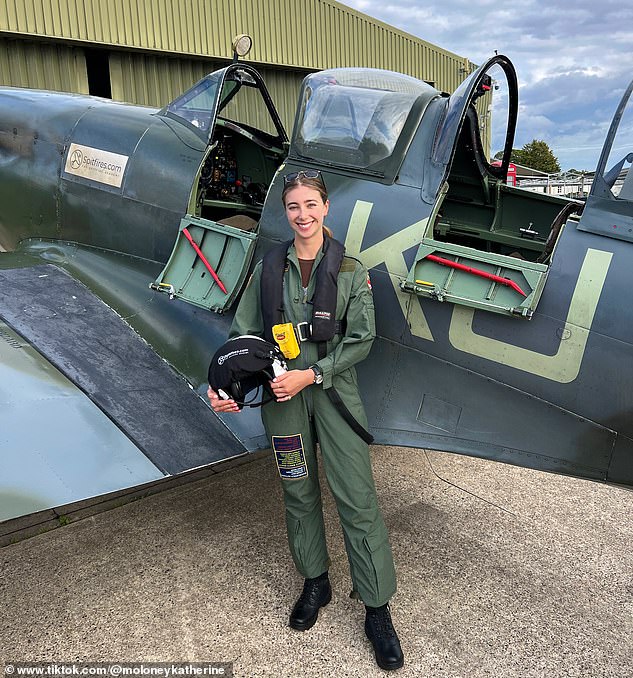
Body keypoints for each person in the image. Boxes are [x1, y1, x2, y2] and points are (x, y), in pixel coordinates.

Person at [208, 169, 404, 671]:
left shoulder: (351, 272)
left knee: (356, 498)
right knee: (297, 490)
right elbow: (242, 339)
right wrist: (223, 389)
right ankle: (315, 581)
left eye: (311, 205)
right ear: (285, 212)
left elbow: (361, 339)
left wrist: (312, 373)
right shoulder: (266, 270)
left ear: (325, 208)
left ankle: (377, 608)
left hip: (334, 396)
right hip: (282, 401)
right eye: (293, 206)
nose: (303, 215)